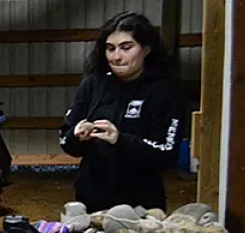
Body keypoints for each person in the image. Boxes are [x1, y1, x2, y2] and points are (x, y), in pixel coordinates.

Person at [60, 11, 185, 212]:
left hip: (142, 207)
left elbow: (167, 155)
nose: (116, 57)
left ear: (146, 49)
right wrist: (76, 135)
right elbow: (66, 141)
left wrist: (120, 140)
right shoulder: (92, 85)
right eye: (110, 49)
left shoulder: (164, 91)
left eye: (126, 48)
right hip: (90, 204)